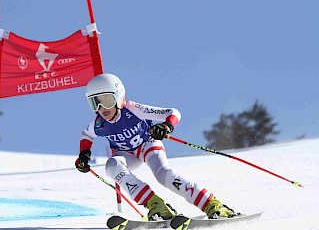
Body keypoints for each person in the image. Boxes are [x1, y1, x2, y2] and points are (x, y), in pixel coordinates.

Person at [75, 73, 237, 220]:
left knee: (163, 176)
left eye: (107, 101)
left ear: (118, 98)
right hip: (127, 154)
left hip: (148, 145)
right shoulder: (99, 124)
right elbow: (86, 135)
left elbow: (173, 112)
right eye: (95, 103)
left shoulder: (133, 109)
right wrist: (84, 154)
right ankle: (156, 206)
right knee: (112, 166)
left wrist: (166, 126)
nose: (102, 109)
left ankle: (212, 205)